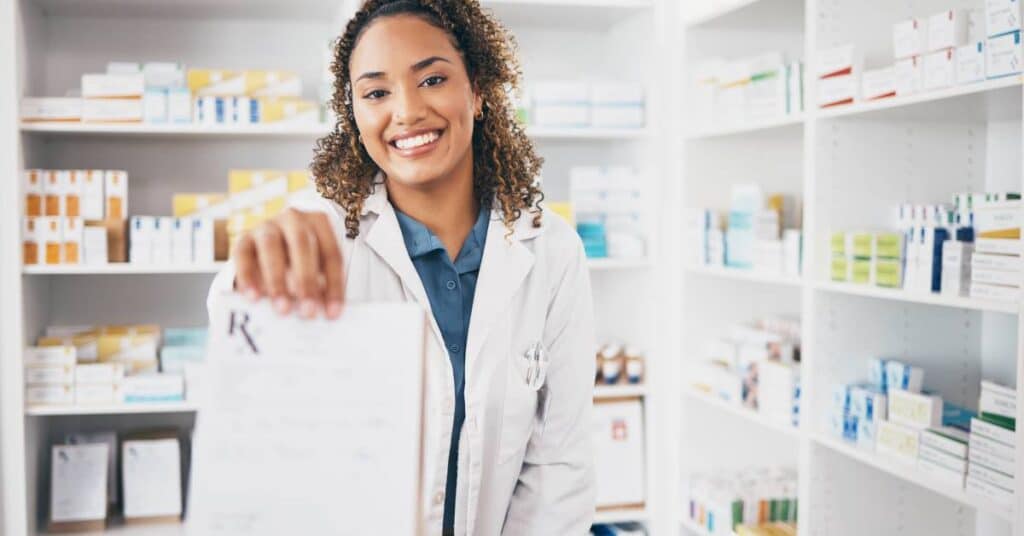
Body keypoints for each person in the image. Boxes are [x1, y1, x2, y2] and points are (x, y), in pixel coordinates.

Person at [208, 0, 596, 533]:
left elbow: (559, 469)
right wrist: (256, 268)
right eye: (376, 92)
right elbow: (240, 345)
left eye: (432, 79)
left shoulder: (553, 251)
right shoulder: (327, 240)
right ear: (355, 115)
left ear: (477, 91)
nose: (407, 111)